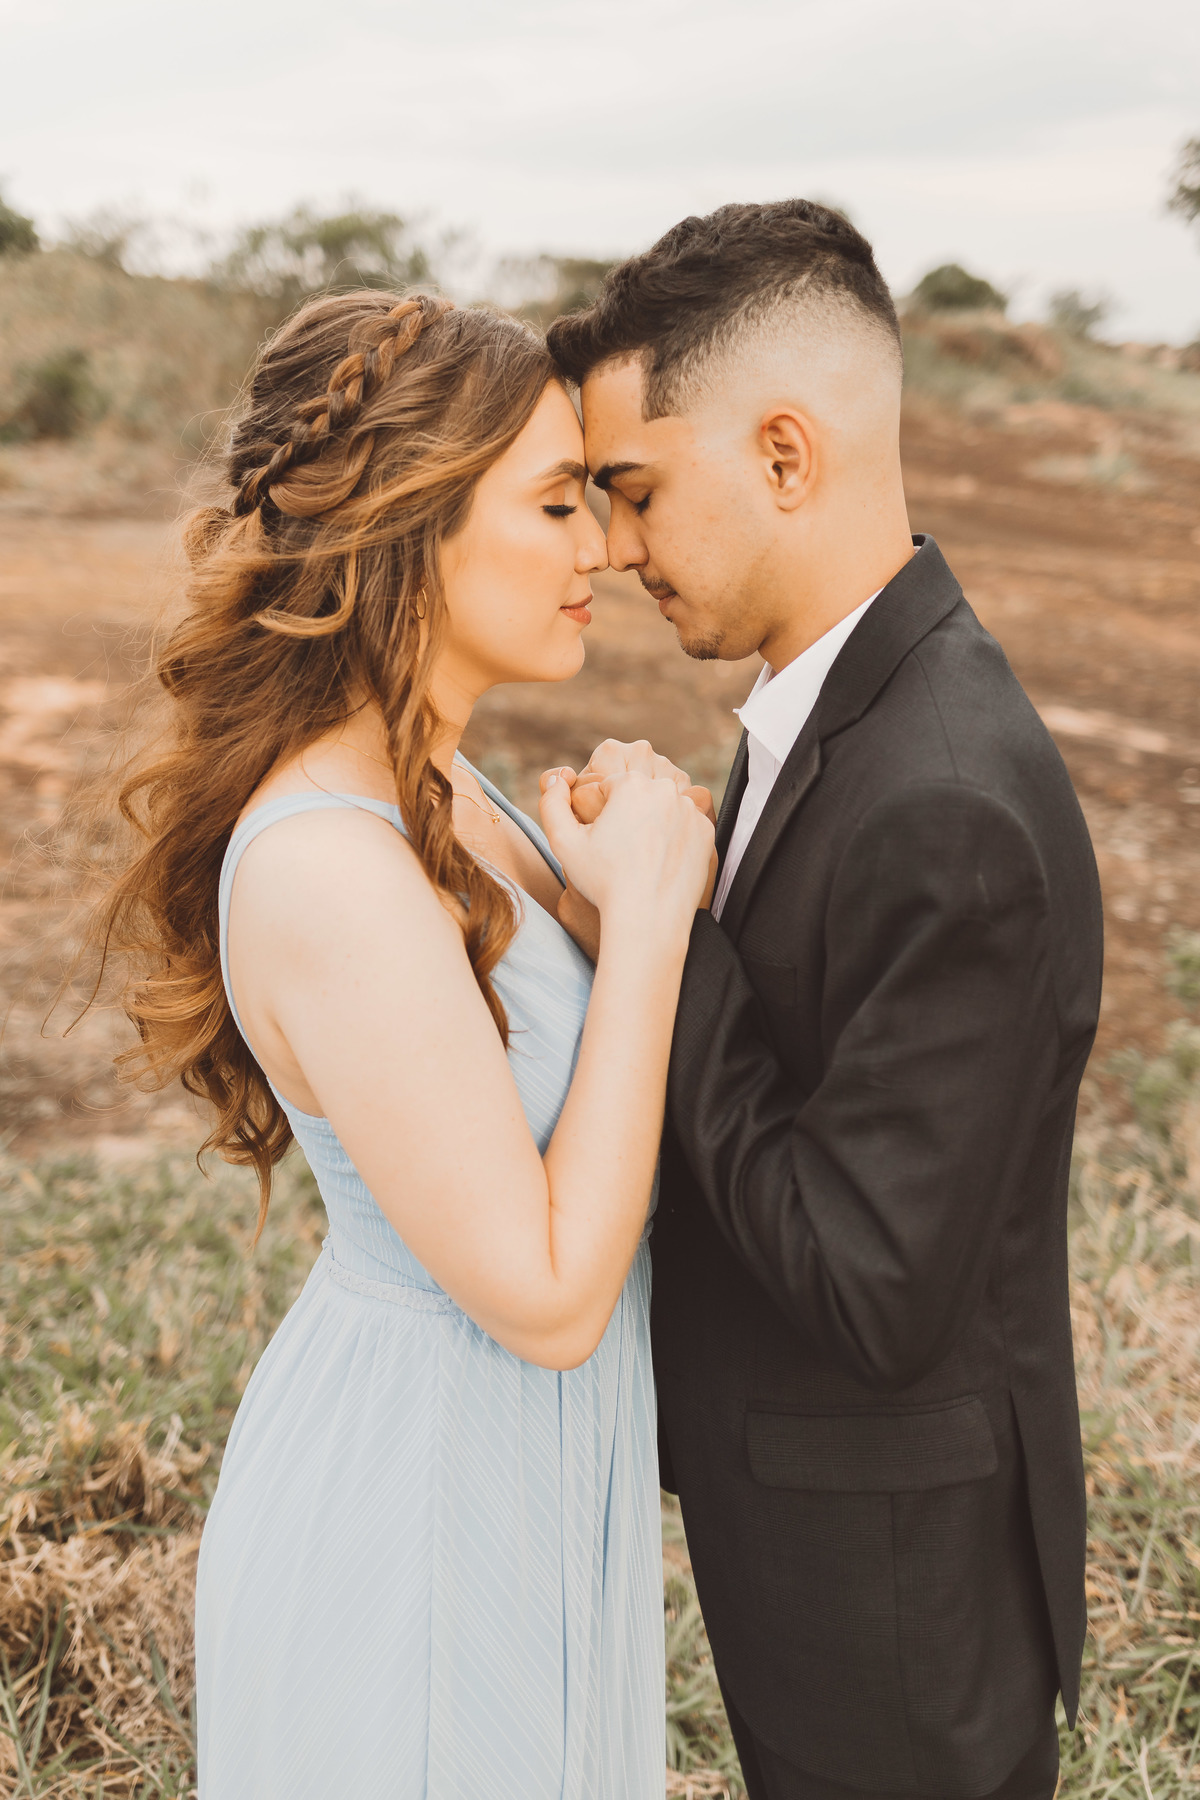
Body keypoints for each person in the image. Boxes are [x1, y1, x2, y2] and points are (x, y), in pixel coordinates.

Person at [89, 289, 715, 1799]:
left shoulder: (457, 796)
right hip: (417, 1524)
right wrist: (639, 917)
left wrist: (617, 863)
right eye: (557, 501)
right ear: (411, 522)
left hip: (522, 1482)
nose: (604, 548)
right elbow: (552, 1297)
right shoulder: (329, 866)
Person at [547, 201, 1104, 1800]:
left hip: (900, 1606)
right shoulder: (840, 701)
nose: (615, 549)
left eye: (635, 490)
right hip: (826, 1540)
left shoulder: (949, 797)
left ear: (785, 457)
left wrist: (669, 928)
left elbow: (873, 1280)